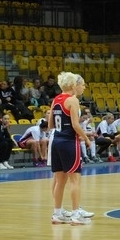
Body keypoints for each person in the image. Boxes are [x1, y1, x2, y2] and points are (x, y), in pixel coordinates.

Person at [49, 72, 93, 225]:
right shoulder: (72, 100)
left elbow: (50, 125)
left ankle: (56, 213)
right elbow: (75, 125)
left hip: (56, 141)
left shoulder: (56, 100)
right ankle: (75, 215)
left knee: (60, 181)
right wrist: (86, 139)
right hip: (69, 141)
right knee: (75, 180)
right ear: (73, 85)